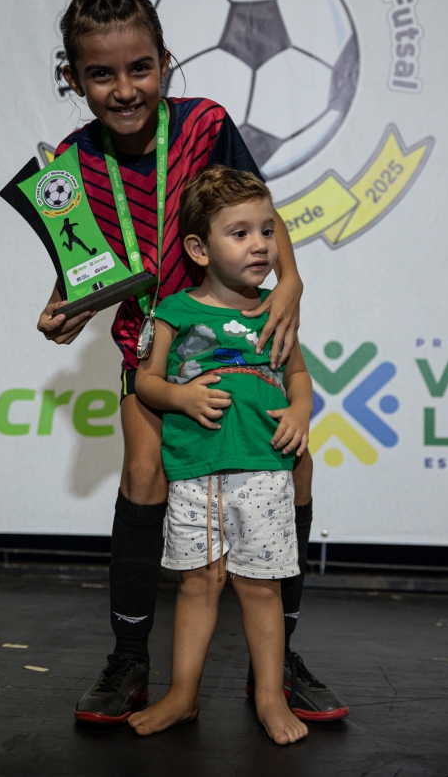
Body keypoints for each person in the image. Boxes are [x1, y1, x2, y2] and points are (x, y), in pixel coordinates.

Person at [36, 0, 348, 723]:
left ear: (166, 62)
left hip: (240, 345)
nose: (124, 89)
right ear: (74, 78)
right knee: (144, 473)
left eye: (139, 68)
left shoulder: (205, 124)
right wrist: (66, 312)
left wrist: (291, 279)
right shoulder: (70, 166)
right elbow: (83, 272)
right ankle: (129, 660)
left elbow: (258, 208)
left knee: (296, 467)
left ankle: (281, 658)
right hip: (152, 353)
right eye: (101, 74)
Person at [129, 165, 312, 744]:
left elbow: (297, 374)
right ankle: (183, 696)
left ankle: (269, 696)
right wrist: (180, 396)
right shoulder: (175, 312)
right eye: (240, 233)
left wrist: (300, 411)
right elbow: (145, 381)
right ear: (199, 249)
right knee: (199, 584)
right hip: (195, 473)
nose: (260, 245)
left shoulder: (276, 310)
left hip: (265, 471)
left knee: (260, 587)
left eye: (267, 231)